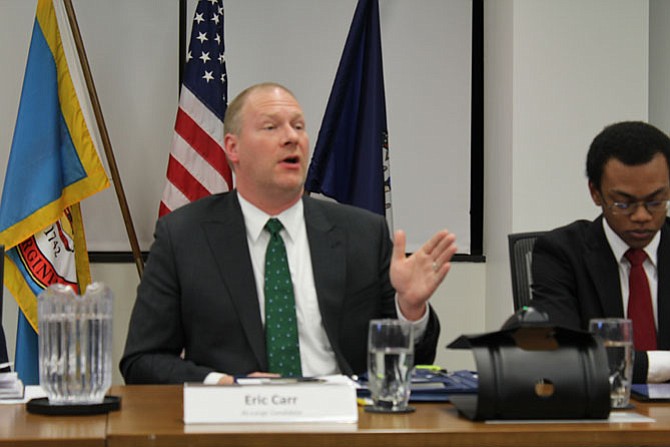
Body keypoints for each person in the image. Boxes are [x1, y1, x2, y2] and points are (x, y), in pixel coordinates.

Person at [120, 82, 457, 384]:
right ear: (232, 148)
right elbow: (142, 361)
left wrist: (410, 309)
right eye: (271, 127)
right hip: (234, 426)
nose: (291, 137)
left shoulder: (363, 234)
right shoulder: (184, 237)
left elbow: (414, 365)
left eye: (298, 126)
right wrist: (222, 384)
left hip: (342, 425)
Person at [532, 121, 670, 383]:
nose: (641, 216)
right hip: (601, 417)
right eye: (623, 203)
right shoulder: (560, 253)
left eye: (655, 201)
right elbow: (564, 352)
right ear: (595, 193)